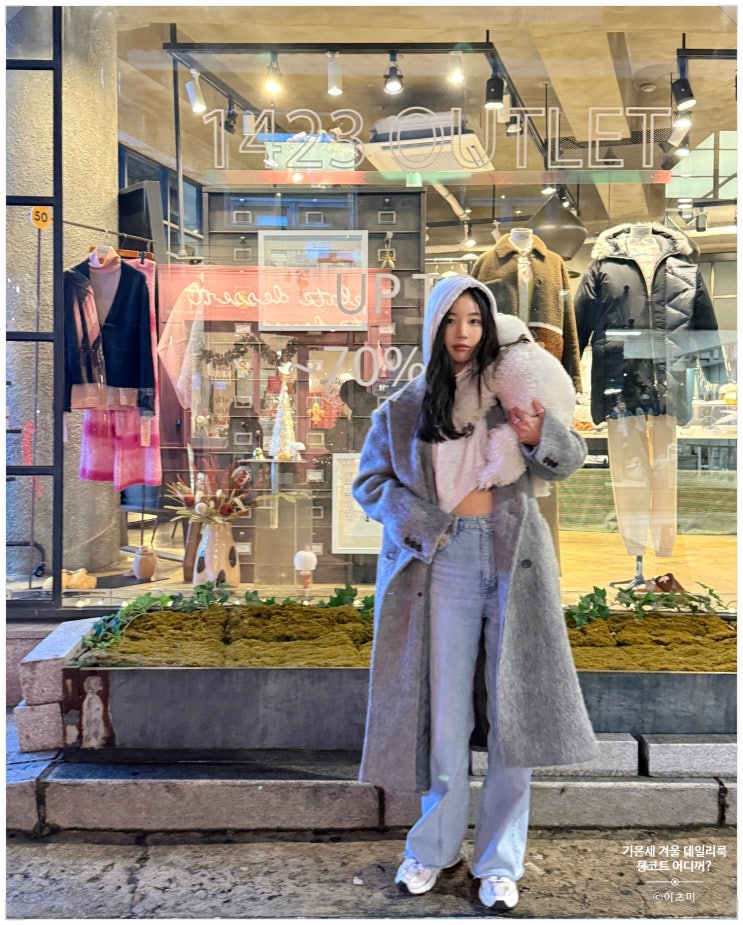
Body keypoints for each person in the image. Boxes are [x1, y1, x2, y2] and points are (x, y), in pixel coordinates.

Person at [351, 275, 598, 910]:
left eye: (475, 321)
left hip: (513, 558)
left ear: (489, 327)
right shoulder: (405, 406)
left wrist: (538, 434)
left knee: (516, 712)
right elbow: (370, 483)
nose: (463, 333)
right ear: (434, 326)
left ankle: (499, 862)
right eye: (451, 320)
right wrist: (423, 524)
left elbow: (568, 459)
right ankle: (433, 849)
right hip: (442, 562)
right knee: (445, 717)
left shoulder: (512, 389)